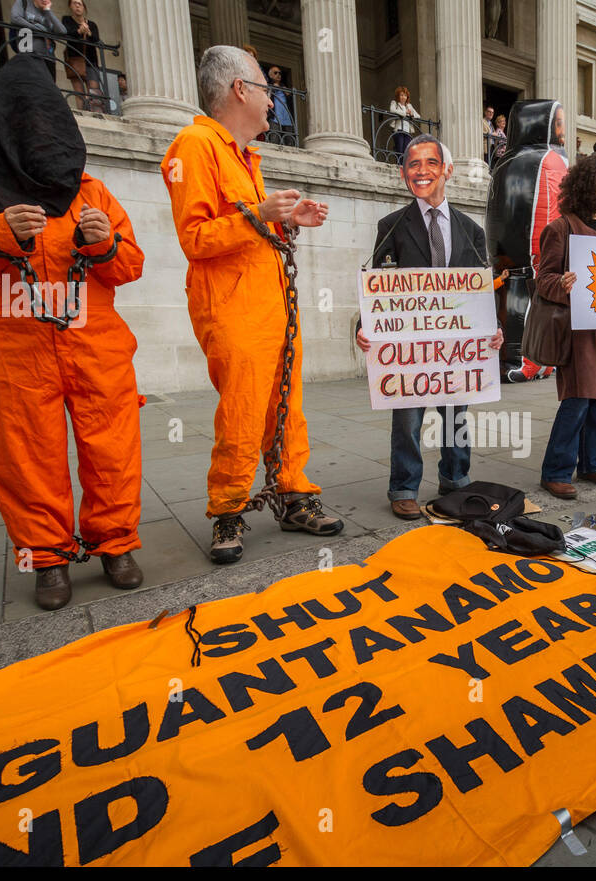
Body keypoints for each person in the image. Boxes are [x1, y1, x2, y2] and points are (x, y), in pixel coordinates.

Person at [0, 54, 145, 611]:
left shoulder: (89, 190)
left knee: (112, 446)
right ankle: (45, 558)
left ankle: (115, 543)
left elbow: (131, 265)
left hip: (95, 344)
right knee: (24, 454)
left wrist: (103, 245)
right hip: (13, 347)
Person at [161, 46, 343, 564]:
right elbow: (195, 238)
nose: (271, 100)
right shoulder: (194, 146)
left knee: (286, 408)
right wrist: (259, 214)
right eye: (266, 88)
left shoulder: (243, 156)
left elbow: (249, 231)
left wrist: (285, 220)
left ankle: (292, 493)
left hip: (271, 303)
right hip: (233, 306)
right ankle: (228, 511)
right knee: (242, 409)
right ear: (240, 90)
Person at [354, 135, 503, 518]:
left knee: (456, 416)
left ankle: (456, 479)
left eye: (430, 163)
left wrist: (493, 328)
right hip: (409, 351)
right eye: (412, 165)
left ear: (447, 170)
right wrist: (364, 325)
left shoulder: (472, 230)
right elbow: (378, 286)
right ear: (404, 173)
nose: (421, 171)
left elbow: (479, 290)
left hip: (456, 347)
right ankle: (404, 487)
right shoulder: (392, 226)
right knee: (407, 419)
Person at [533, 154, 596, 499]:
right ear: (592, 184)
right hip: (579, 333)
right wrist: (563, 283)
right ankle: (556, 471)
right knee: (578, 397)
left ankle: (591, 464)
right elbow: (543, 279)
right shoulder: (561, 228)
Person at [10, 0, 65, 66]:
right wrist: (39, 29)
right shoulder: (23, 2)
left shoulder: (47, 13)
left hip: (48, 59)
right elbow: (15, 18)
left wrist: (48, 10)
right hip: (28, 56)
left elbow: (62, 31)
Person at [389, 86, 422, 162]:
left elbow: (418, 116)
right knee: (399, 149)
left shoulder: (409, 106)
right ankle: (399, 165)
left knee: (406, 150)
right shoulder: (395, 103)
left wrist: (412, 114)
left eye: (405, 95)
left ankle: (404, 165)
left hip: (407, 130)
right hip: (399, 129)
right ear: (398, 96)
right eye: (401, 95)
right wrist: (404, 113)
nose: (403, 97)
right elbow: (392, 110)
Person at [266, 64, 295, 143]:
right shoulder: (268, 86)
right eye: (276, 73)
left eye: (280, 73)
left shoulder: (284, 87)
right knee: (274, 140)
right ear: (270, 75)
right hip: (274, 117)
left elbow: (291, 102)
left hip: (287, 118)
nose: (278, 75)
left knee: (290, 141)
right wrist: (272, 89)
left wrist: (288, 94)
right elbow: (266, 98)